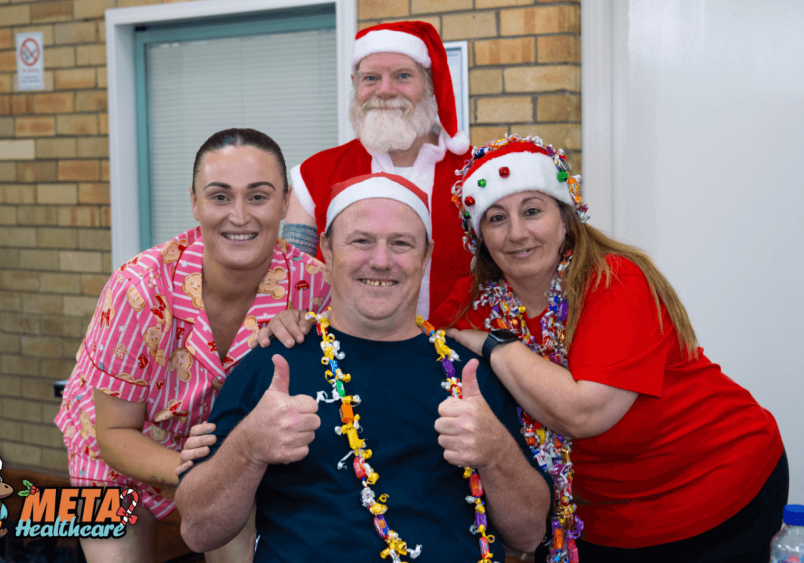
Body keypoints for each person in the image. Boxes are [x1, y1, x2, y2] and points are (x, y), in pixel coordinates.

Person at [442, 135, 787, 563]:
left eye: (533, 211)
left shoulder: (614, 280)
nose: (516, 233)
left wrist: (497, 347)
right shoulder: (472, 303)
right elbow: (406, 326)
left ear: (566, 218)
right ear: (480, 237)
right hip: (597, 521)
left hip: (713, 485)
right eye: (496, 219)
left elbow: (585, 412)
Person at [176, 173, 551, 561]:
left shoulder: (468, 374)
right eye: (361, 241)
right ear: (327, 249)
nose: (382, 261)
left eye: (401, 243)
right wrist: (249, 446)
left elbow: (528, 534)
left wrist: (496, 453)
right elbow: (199, 530)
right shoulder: (272, 364)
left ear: (426, 255)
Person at [55, 128, 330, 562]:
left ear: (284, 203)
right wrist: (199, 469)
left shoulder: (315, 288)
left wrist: (309, 329)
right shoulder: (139, 288)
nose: (239, 216)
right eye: (220, 197)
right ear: (195, 202)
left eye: (258, 197)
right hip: (115, 458)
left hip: (229, 460)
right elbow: (113, 433)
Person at [283, 21, 471, 322]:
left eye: (403, 76)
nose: (384, 90)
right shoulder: (313, 174)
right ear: (355, 84)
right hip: (341, 361)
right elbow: (290, 280)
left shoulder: (474, 173)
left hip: (458, 358)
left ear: (430, 85)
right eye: (371, 78)